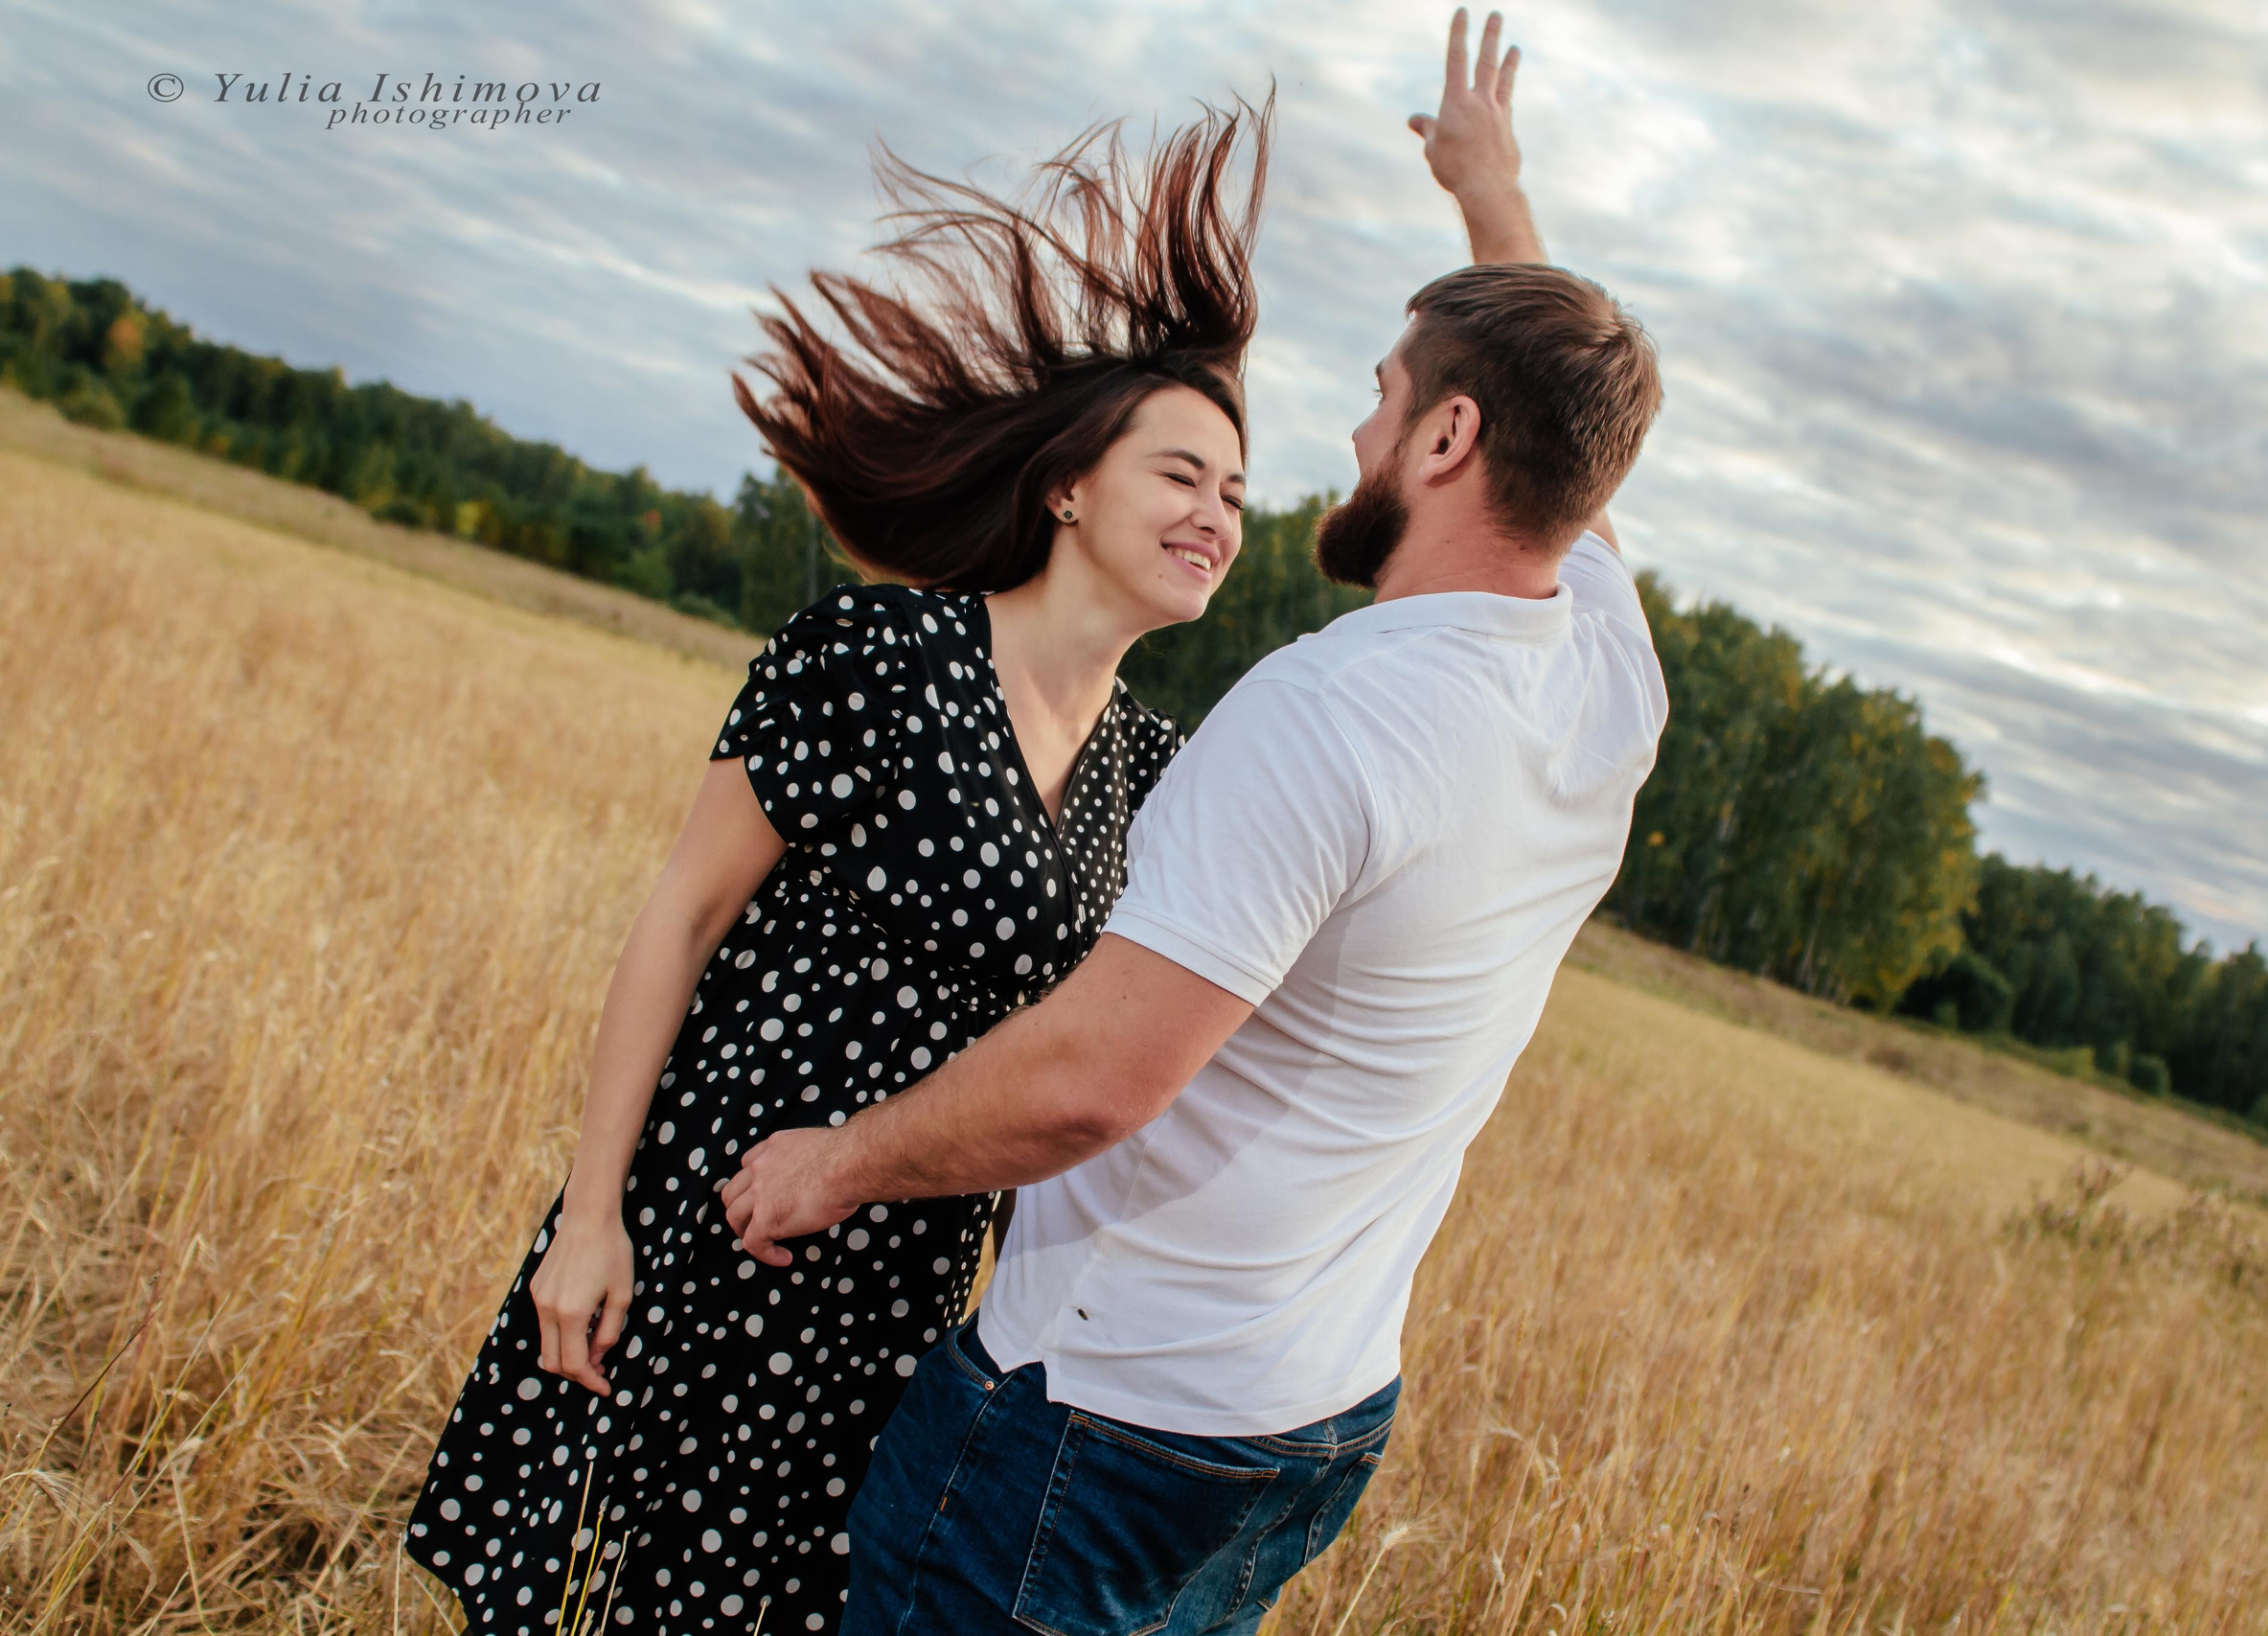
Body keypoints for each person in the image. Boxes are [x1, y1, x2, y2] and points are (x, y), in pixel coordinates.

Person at [718, 11, 1668, 1633]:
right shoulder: (1608, 676)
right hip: (1312, 1421)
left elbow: (1098, 1077)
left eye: (1385, 400)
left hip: (1100, 1417)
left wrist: (837, 1165)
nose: (1355, 437)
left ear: (1448, 440)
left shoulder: (1326, 710)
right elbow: (1568, 433)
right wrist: (1488, 193)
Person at [406, 100, 1269, 1635]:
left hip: (900, 1304)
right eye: (1182, 476)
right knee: (580, 1602)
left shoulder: (1158, 775)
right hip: (710, 1219)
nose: (1215, 516)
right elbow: (682, 917)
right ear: (1069, 486)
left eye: (1236, 497)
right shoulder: (876, 653)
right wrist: (592, 1215)